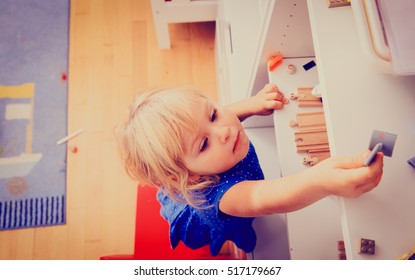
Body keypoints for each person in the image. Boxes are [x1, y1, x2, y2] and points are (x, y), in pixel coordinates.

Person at [115, 84, 384, 256]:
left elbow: (222, 117)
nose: (224, 131)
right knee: (237, 227)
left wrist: (250, 105)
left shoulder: (218, 136)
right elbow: (267, 198)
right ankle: (234, 246)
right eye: (205, 143)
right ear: (192, 175)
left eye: (213, 115)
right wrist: (322, 181)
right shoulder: (224, 197)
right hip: (212, 216)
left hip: (186, 176)